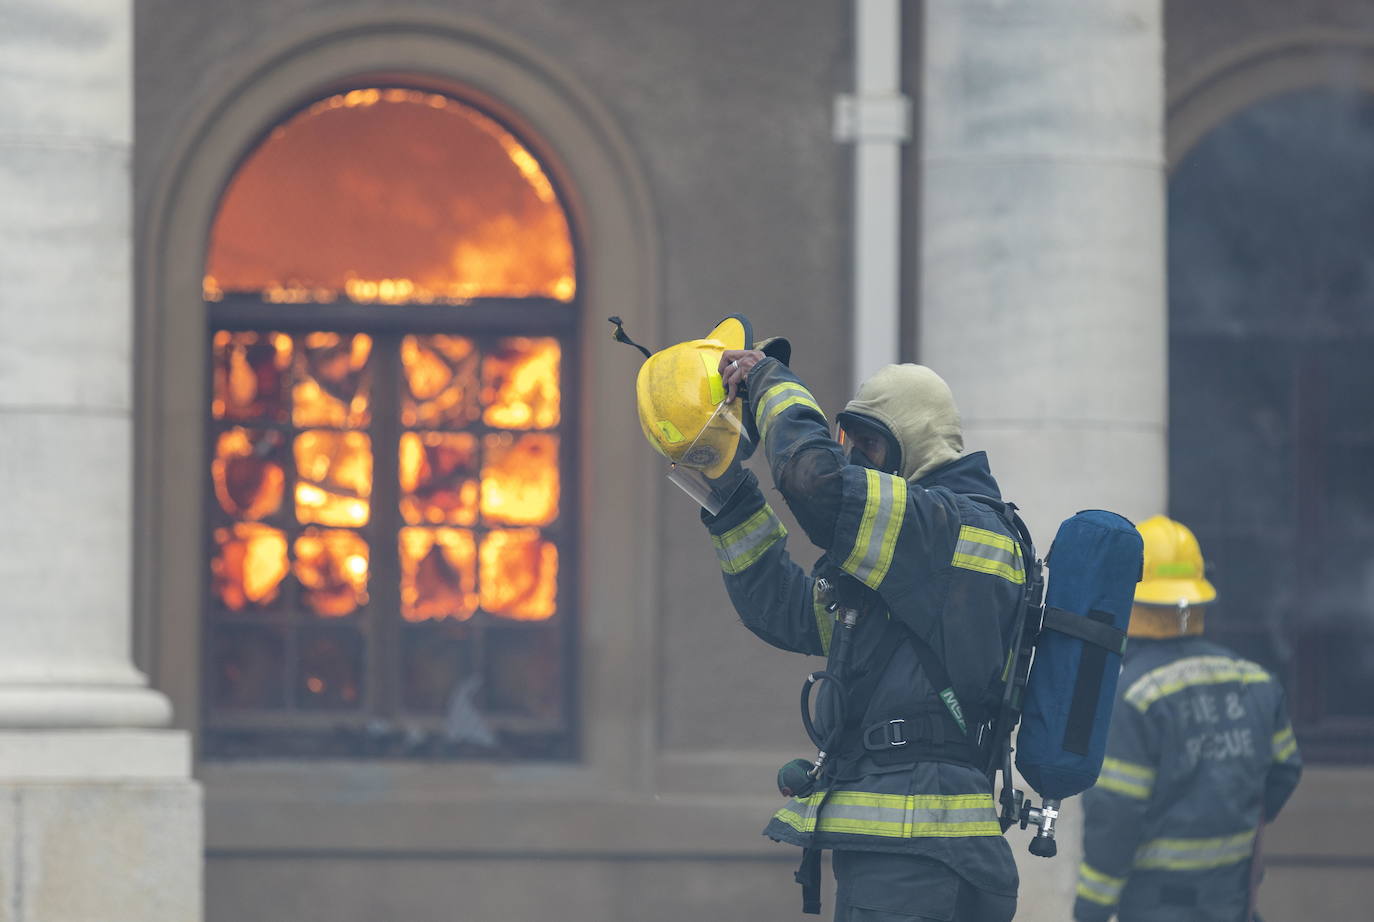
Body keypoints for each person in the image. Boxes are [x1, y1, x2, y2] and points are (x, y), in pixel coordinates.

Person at [650, 323, 1023, 921]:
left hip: (914, 857)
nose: (854, 458)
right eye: (847, 441)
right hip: (921, 855)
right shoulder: (916, 568)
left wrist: (769, 381)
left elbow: (818, 487)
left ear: (914, 442)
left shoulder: (943, 526)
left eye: (867, 445)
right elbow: (786, 610)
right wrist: (728, 491)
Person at [1073, 515, 1303, 922]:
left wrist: (1091, 907)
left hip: (1157, 906)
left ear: (1126, 594)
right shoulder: (1255, 682)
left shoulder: (1135, 697)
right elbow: (1284, 771)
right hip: (1233, 901)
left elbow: (1115, 816)